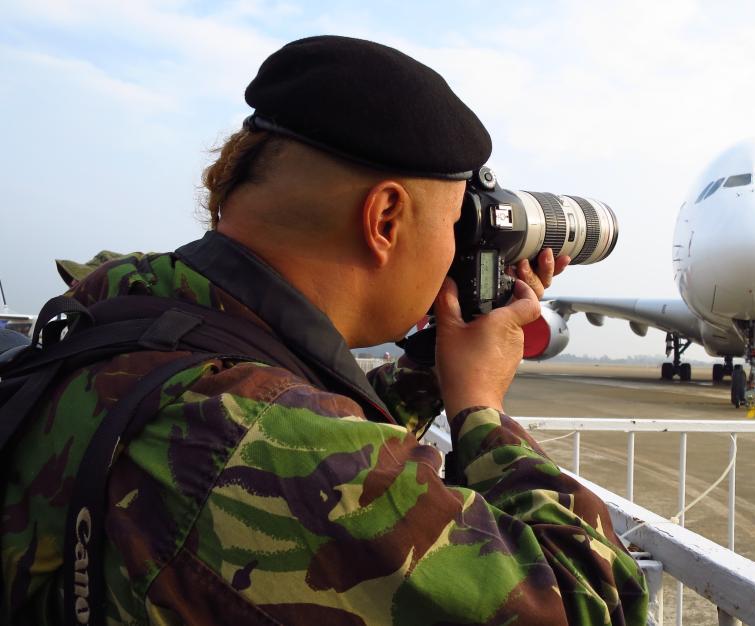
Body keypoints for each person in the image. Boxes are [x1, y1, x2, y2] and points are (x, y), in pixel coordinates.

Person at [1, 36, 647, 625]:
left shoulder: (135, 301)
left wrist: (434, 365)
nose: (455, 249)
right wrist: (480, 407)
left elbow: (317, 416)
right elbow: (591, 603)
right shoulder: (254, 442)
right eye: (454, 224)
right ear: (385, 218)